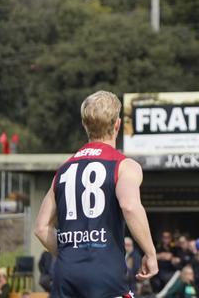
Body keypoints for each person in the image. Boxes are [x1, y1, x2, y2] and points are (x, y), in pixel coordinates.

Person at [34, 90, 158, 297]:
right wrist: (150, 253)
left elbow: (40, 227)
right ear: (117, 124)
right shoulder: (124, 166)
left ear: (85, 125)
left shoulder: (64, 169)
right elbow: (129, 206)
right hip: (105, 271)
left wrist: (69, 253)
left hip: (66, 274)